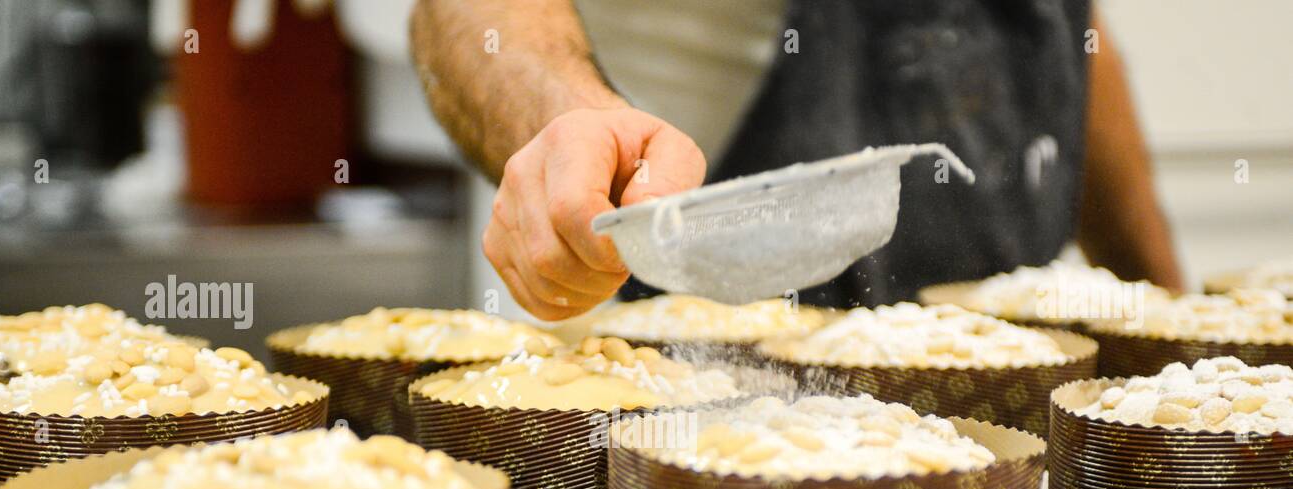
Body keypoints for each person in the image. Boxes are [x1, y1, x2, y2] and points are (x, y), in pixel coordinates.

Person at [410, 0, 1183, 321]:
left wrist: (1168, 318)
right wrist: (568, 119)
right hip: (689, 418)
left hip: (1003, 446)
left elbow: (1066, 35)